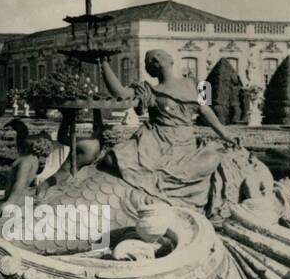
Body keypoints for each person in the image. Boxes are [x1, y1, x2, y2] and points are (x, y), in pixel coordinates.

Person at [97, 49, 241, 210]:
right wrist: (103, 63)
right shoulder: (148, 90)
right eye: (149, 60)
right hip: (157, 140)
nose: (154, 59)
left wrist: (225, 134)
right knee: (112, 159)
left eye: (158, 55)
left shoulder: (196, 83)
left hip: (185, 143)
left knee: (212, 159)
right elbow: (121, 94)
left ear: (170, 58)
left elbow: (206, 111)